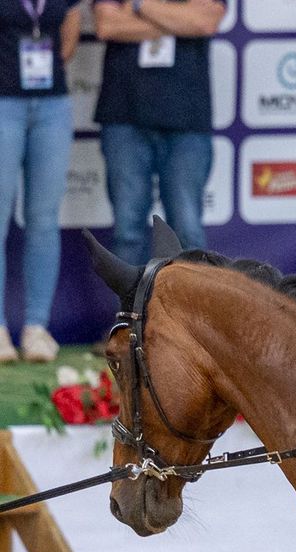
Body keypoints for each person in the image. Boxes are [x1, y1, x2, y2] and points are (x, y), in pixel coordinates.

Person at [92, 0, 224, 265]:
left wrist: (138, 6)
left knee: (187, 232)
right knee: (127, 232)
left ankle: (186, 307)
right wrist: (175, 19)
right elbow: (107, 26)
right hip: (124, 115)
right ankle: (130, 307)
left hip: (186, 120)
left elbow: (204, 22)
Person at [0, 0, 82, 362]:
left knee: (44, 220)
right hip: (3, 102)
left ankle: (36, 328)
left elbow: (70, 33)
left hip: (52, 104)